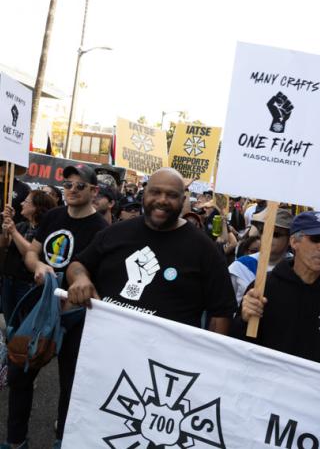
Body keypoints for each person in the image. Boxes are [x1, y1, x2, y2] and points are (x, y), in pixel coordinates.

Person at [2, 164, 109, 449]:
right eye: (67, 185)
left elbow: (99, 278)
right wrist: (37, 265)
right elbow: (33, 252)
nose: (71, 190)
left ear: (94, 191)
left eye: (79, 186)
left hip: (75, 318)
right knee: (20, 373)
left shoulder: (103, 230)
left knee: (70, 387)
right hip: (39, 309)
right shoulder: (53, 216)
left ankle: (63, 441)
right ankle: (15, 442)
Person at [66, 168, 237, 334]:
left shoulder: (204, 249)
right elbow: (78, 264)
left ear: (183, 199)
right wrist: (80, 278)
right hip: (103, 345)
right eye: (155, 192)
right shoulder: (115, 232)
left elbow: (221, 312)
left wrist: (208, 357)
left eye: (171, 195)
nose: (162, 200)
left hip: (161, 359)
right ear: (145, 192)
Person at [232, 211, 320, 383]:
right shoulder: (263, 288)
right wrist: (244, 320)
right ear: (294, 242)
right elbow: (238, 346)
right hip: (267, 392)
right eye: (316, 239)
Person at [0, 190, 55, 324]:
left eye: (26, 201)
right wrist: (5, 227)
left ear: (37, 207)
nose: (22, 204)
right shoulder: (21, 225)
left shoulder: (45, 230)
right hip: (9, 280)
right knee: (9, 322)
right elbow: (3, 243)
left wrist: (14, 232)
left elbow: (30, 253)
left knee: (23, 323)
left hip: (26, 284)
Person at [228, 208, 292, 304]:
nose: (268, 237)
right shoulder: (240, 266)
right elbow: (225, 305)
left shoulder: (296, 267)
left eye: (276, 234)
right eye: (263, 231)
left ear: (290, 238)